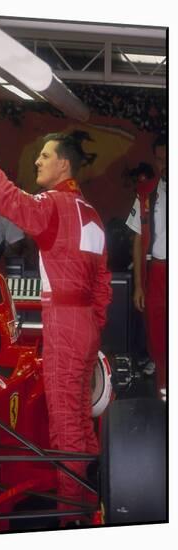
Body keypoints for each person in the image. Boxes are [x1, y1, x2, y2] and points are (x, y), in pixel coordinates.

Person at [0, 104, 112, 525]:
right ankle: (89, 498)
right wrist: (92, 325)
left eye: (44, 155)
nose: (37, 161)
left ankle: (69, 516)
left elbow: (6, 198)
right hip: (85, 326)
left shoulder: (54, 206)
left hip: (63, 322)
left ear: (63, 164)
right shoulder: (91, 214)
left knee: (63, 422)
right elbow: (102, 285)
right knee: (79, 418)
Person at [125, 135, 166, 398]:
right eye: (160, 159)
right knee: (157, 333)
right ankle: (165, 390)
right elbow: (138, 238)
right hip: (158, 273)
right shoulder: (147, 193)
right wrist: (139, 285)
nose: (165, 164)